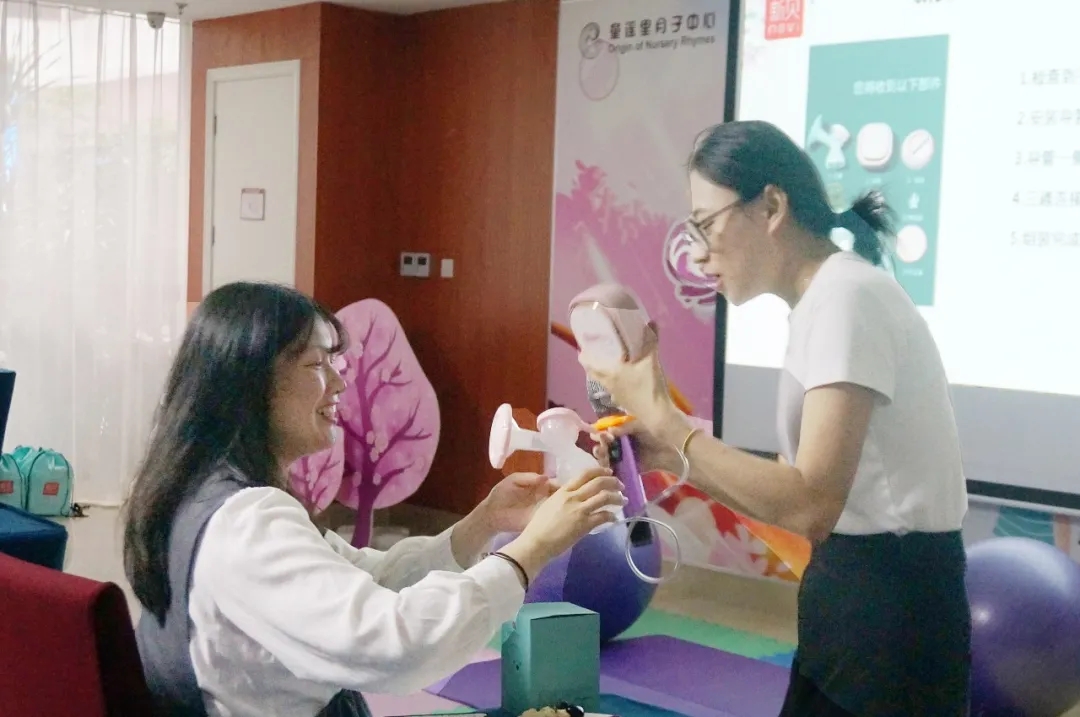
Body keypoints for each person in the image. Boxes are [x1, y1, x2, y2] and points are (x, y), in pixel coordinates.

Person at [584, 121, 970, 716]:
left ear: (771, 207)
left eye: (706, 224)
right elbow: (790, 493)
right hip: (851, 593)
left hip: (893, 611)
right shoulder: (823, 301)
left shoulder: (848, 298)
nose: (698, 252)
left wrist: (665, 417)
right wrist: (666, 449)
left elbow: (811, 504)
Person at [122, 282, 625, 717]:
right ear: (249, 386)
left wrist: (485, 522)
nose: (340, 382)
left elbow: (366, 578)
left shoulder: (203, 493)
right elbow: (397, 645)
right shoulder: (247, 525)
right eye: (316, 364)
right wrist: (531, 550)